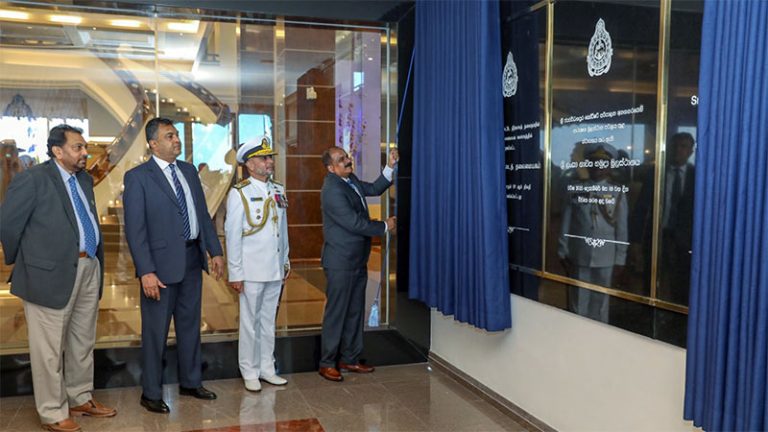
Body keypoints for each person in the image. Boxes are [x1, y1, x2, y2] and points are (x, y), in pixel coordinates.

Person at [0, 125, 116, 432]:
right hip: (47, 275)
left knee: (82, 340)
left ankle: (79, 396)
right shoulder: (33, 179)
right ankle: (52, 411)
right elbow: (9, 225)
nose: (84, 153)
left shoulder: (84, 180)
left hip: (87, 267)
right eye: (78, 147)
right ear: (57, 151)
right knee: (48, 349)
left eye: (84, 147)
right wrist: (28, 261)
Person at [123, 117, 225, 413]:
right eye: (169, 136)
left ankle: (191, 381)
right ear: (153, 143)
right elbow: (135, 229)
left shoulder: (189, 171)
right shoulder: (139, 177)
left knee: (190, 325)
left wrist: (214, 250)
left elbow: (202, 215)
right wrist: (146, 271)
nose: (176, 140)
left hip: (192, 259)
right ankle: (151, 392)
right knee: (155, 332)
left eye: (177, 135)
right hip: (160, 267)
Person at [318, 146, 398, 382]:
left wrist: (390, 166)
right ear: (331, 168)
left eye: (346, 157)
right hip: (340, 262)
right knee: (337, 313)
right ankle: (327, 363)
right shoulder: (331, 189)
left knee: (355, 311)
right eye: (341, 160)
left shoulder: (349, 179)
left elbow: (372, 188)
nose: (347, 161)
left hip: (356, 259)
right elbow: (354, 223)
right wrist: (384, 225)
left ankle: (349, 359)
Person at [225, 136, 290, 392]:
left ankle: (267, 368)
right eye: (263, 158)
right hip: (251, 270)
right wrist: (236, 272)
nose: (269, 161)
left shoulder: (278, 190)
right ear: (250, 164)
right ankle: (249, 371)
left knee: (267, 321)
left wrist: (285, 259)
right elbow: (232, 236)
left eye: (270, 157)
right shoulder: (239, 193)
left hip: (274, 267)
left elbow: (282, 229)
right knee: (250, 322)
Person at [558, 143, 628, 322]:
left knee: (601, 301)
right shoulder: (575, 188)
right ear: (588, 164)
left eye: (603, 163)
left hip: (606, 256)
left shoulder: (618, 192)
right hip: (579, 253)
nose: (598, 166)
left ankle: (598, 336)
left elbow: (622, 229)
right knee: (578, 299)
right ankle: (577, 335)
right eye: (594, 162)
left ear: (610, 166)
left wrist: (620, 259)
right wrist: (562, 250)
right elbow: (566, 222)